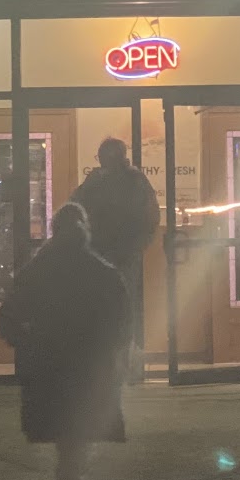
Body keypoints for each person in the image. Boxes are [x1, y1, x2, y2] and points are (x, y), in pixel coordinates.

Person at [0, 202, 133, 480]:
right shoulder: (102, 273)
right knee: (74, 453)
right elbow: (121, 325)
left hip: (49, 373)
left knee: (69, 453)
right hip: (87, 375)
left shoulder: (36, 271)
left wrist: (29, 344)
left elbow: (7, 319)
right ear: (85, 231)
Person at [68, 137, 160, 375]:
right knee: (121, 309)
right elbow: (151, 217)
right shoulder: (130, 181)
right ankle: (121, 363)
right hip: (112, 255)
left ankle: (114, 363)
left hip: (110, 255)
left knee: (114, 309)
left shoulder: (122, 181)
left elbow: (74, 208)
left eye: (107, 156)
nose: (104, 161)